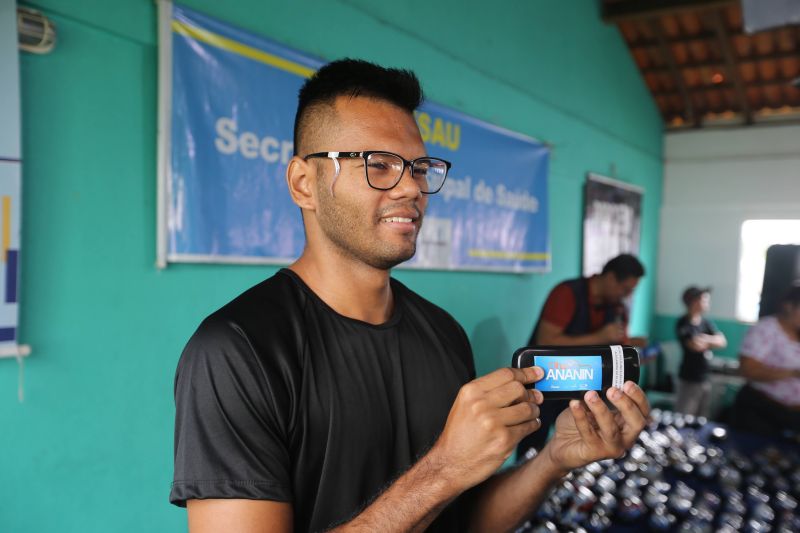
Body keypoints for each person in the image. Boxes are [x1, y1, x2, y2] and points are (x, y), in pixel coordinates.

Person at [170, 59, 650, 532]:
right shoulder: (238, 349)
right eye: (378, 164)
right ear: (304, 183)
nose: (411, 188)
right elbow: (440, 483)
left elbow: (461, 521)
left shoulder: (443, 334)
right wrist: (443, 470)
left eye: (419, 167)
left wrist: (552, 460)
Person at [517, 254, 647, 456]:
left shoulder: (617, 308)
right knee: (532, 444)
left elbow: (616, 348)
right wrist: (600, 337)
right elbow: (546, 340)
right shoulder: (567, 293)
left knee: (576, 445)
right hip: (546, 382)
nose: (626, 295)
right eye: (625, 289)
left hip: (584, 389)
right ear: (611, 278)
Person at [733, 285, 800, 436]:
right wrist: (793, 373)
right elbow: (747, 369)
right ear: (789, 306)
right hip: (762, 411)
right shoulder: (766, 329)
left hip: (793, 418)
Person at [674, 286, 727, 417]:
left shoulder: (706, 323)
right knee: (684, 417)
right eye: (705, 300)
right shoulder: (683, 323)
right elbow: (694, 345)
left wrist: (705, 339)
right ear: (694, 302)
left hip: (704, 378)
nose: (708, 303)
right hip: (689, 379)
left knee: (702, 418)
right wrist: (711, 341)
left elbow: (722, 341)